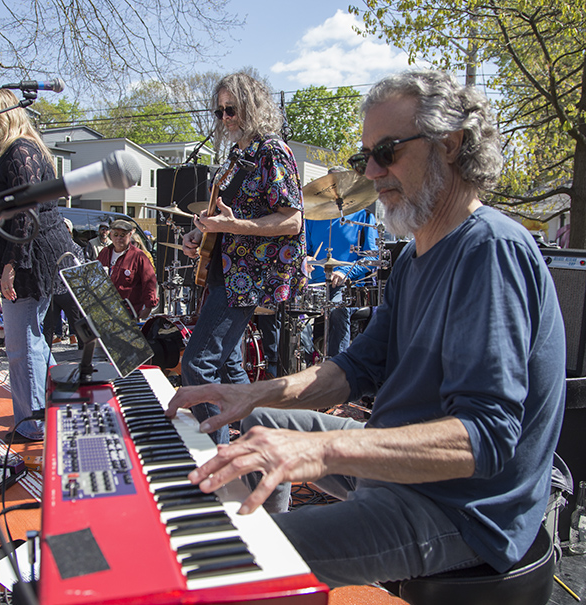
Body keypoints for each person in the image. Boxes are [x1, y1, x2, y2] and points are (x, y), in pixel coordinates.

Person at [166, 70, 566, 589]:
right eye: (364, 157)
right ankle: (266, 526)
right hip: (400, 462)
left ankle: (270, 553)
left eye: (388, 151)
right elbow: (355, 367)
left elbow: (486, 438)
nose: (371, 172)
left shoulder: (490, 249)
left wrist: (317, 452)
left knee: (240, 563)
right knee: (263, 421)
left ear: (451, 145)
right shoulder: (416, 256)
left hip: (460, 507)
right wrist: (244, 393)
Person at [179, 72, 306, 445]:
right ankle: (258, 448)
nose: (225, 119)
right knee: (231, 367)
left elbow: (292, 220)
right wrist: (202, 232)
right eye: (219, 112)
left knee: (197, 364)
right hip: (225, 270)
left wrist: (235, 227)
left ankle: (217, 454)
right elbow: (227, 217)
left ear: (251, 107)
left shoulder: (271, 150)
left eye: (231, 109)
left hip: (245, 278)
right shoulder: (239, 155)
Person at [0, 88, 75, 442]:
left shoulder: (20, 150)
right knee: (32, 340)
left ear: (1, 114)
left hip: (29, 254)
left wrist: (12, 263)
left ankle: (32, 424)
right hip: (29, 251)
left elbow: (26, 210)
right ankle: (60, 407)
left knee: (21, 344)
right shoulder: (18, 149)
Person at [302, 203, 378, 360]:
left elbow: (373, 258)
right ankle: (307, 361)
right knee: (288, 308)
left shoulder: (364, 217)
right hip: (316, 287)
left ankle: (336, 366)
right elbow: (306, 251)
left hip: (349, 287)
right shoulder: (312, 217)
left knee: (338, 307)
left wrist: (345, 272)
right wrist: (306, 259)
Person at [97, 219, 158, 319]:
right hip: (105, 309)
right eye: (116, 235)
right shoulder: (104, 253)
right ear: (110, 235)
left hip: (129, 312)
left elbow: (149, 282)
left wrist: (148, 308)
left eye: (122, 235)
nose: (118, 238)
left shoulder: (139, 256)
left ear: (130, 235)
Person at [44, 217, 84, 347]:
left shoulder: (75, 247)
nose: (63, 230)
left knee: (77, 324)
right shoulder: (50, 246)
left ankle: (84, 352)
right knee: (48, 327)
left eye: (66, 227)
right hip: (52, 292)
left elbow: (80, 268)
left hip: (68, 292)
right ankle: (46, 356)